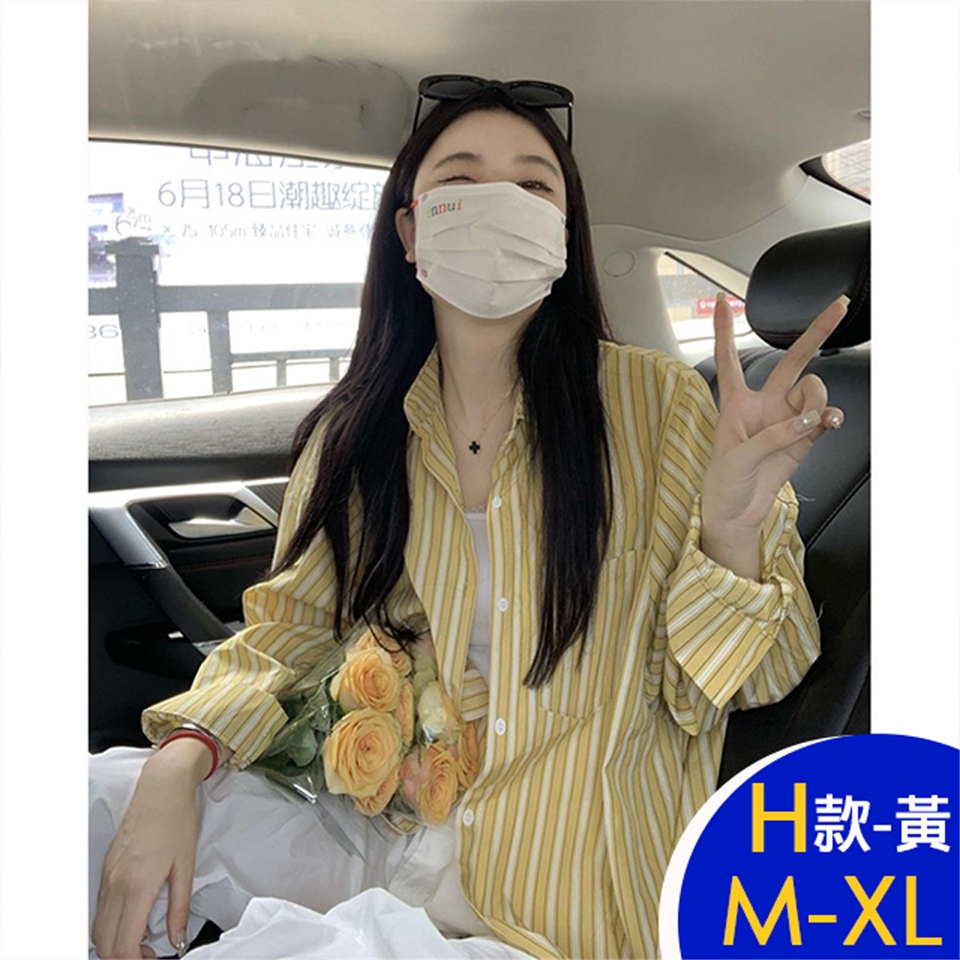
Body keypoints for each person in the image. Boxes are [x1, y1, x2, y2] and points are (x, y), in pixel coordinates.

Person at [90, 77, 846, 960]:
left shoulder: (664, 407)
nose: (500, 204)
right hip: (387, 827)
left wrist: (732, 532)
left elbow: (756, 682)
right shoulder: (357, 430)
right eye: (460, 180)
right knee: (91, 804)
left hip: (561, 894)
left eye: (532, 185)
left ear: (562, 233)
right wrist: (182, 757)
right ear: (411, 232)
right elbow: (289, 630)